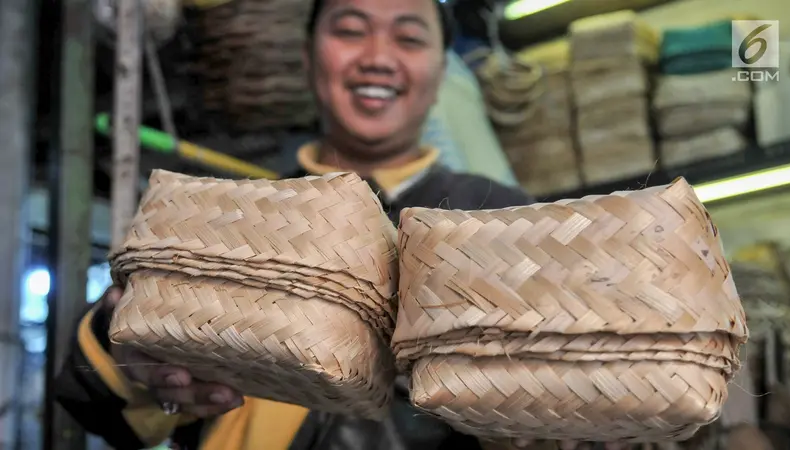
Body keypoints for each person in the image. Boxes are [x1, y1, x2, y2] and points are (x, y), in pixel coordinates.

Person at [55, 0, 627, 449]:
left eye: (408, 37)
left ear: (439, 69)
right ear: (308, 58)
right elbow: (96, 407)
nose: (378, 55)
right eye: (350, 30)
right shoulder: (235, 209)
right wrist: (130, 349)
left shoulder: (505, 219)